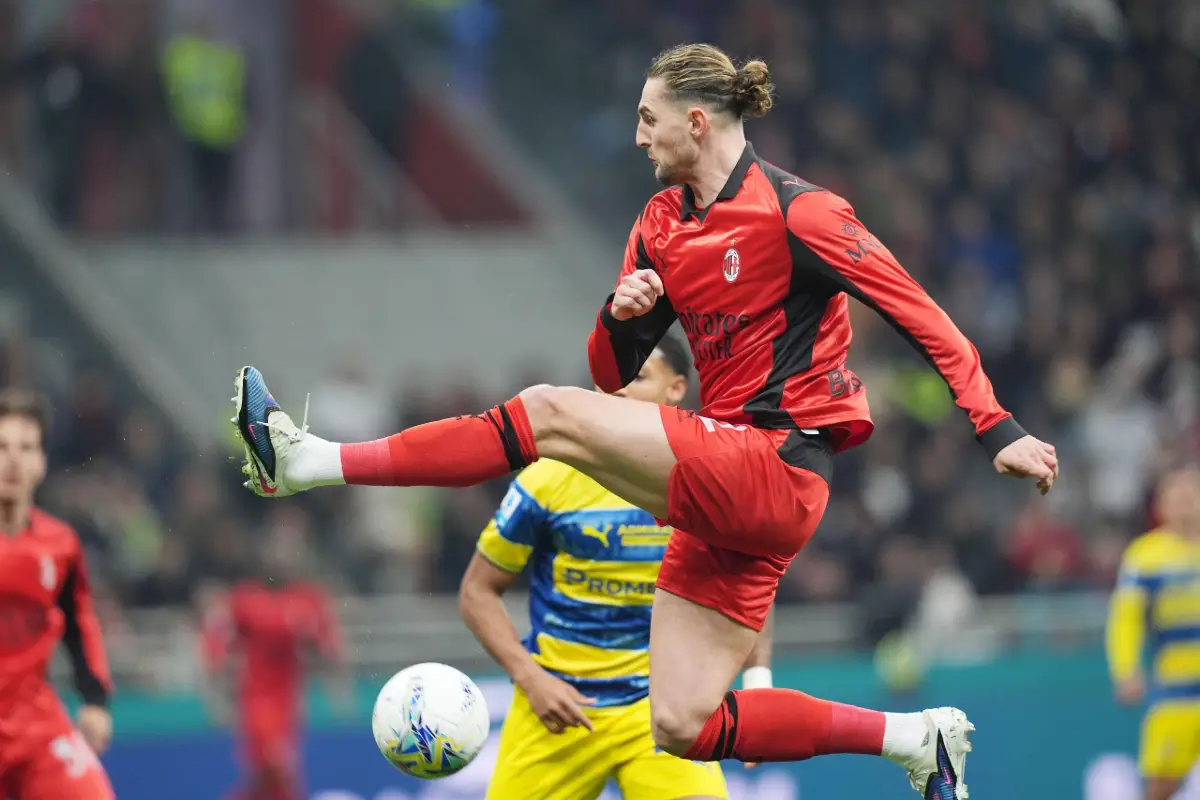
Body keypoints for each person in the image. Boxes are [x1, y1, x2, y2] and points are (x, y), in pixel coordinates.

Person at [232, 43, 1058, 798]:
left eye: (647, 118)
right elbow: (612, 380)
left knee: (544, 414)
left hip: (778, 464)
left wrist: (997, 427)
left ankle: (310, 460)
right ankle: (916, 739)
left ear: (697, 123)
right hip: (726, 485)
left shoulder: (800, 213)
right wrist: (624, 320)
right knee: (685, 722)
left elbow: (919, 311)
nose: (637, 137)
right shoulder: (660, 225)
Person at [461, 337, 764, 799]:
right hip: (556, 710)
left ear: (677, 388)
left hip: (661, 711)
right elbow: (477, 592)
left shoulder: (711, 478)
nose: (618, 389)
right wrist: (531, 679)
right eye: (609, 378)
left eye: (637, 376)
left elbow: (753, 585)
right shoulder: (547, 478)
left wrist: (757, 685)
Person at [0, 389, 115, 799]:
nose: (13, 459)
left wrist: (95, 700)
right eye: (2, 447)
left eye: (26, 448)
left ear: (41, 462)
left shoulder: (59, 545)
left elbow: (79, 624)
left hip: (35, 724)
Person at [199, 511, 349, 800]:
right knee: (279, 769)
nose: (282, 558)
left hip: (289, 702)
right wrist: (216, 694)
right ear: (264, 556)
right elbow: (217, 645)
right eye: (276, 550)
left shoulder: (308, 599)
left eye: (288, 551)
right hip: (256, 701)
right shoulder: (245, 599)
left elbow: (328, 647)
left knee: (272, 780)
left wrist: (338, 688)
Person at [1106, 466, 1200, 800]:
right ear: (1161, 506)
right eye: (1177, 497)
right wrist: (1126, 670)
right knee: (1162, 787)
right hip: (1175, 693)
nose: (1186, 503)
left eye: (1191, 494)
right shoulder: (1145, 557)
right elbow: (1125, 620)